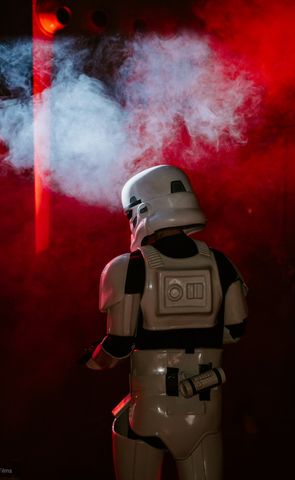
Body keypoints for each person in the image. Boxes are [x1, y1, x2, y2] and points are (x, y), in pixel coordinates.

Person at [86, 165, 248, 480]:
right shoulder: (221, 264)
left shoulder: (128, 268)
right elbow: (235, 331)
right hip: (203, 411)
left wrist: (93, 360)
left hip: (147, 414)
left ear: (141, 209)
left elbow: (118, 345)